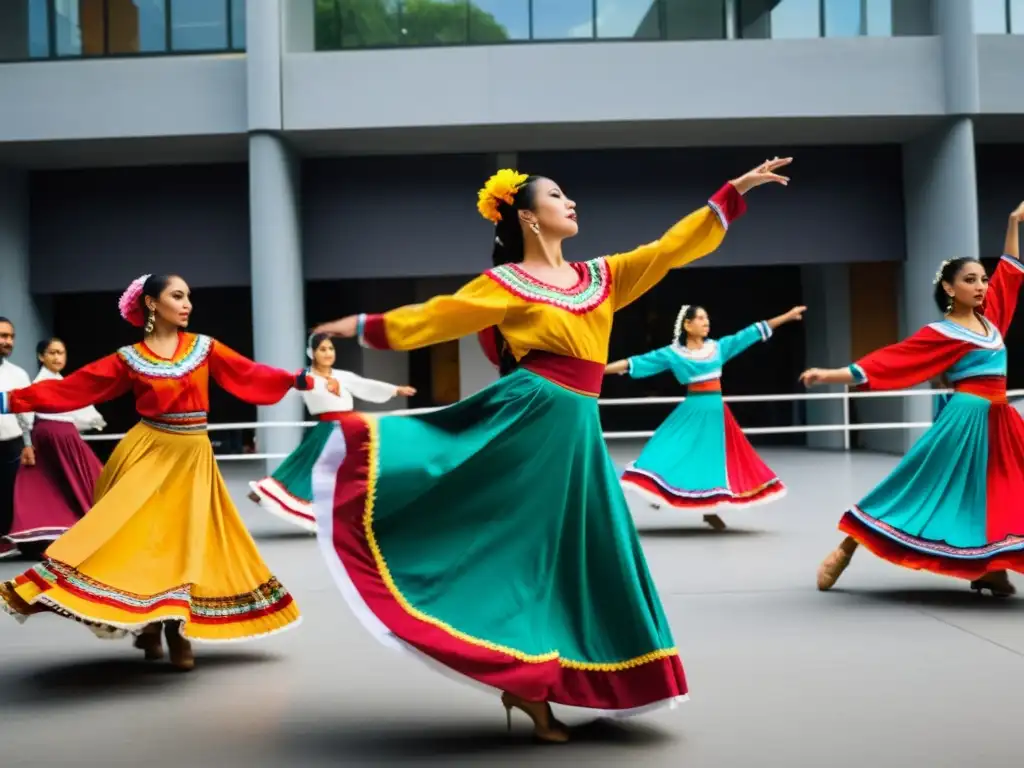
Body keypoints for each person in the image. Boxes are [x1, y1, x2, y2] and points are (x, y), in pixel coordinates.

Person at [310, 158, 792, 742]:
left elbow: (669, 248)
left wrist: (732, 193)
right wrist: (367, 327)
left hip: (578, 431)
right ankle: (525, 681)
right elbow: (441, 316)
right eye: (558, 196)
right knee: (524, 549)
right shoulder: (506, 285)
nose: (572, 203)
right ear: (528, 217)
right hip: (531, 420)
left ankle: (548, 678)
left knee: (580, 552)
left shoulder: (604, 276)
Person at [0, 274, 312, 670]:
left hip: (192, 457)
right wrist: (9, 400)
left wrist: (295, 379)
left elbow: (248, 374)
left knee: (184, 541)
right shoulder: (129, 358)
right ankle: (152, 624)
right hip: (147, 454)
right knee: (144, 542)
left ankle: (174, 629)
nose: (187, 304)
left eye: (188, 297)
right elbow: (72, 389)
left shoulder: (203, 348)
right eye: (177, 296)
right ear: (151, 303)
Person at [802, 202, 1024, 597]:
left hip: (1001, 422)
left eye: (982, 280)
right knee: (914, 486)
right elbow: (892, 360)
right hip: (963, 422)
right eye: (970, 279)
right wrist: (831, 375)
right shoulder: (942, 333)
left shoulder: (993, 322)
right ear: (949, 287)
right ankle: (847, 546)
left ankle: (989, 568)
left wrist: (1012, 223)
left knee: (1001, 493)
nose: (981, 286)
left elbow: (1010, 273)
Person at [605, 304, 805, 529]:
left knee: (714, 462)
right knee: (667, 448)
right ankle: (658, 490)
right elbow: (637, 363)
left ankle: (709, 510)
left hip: (717, 416)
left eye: (707, 318)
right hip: (692, 411)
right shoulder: (673, 354)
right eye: (700, 318)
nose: (706, 322)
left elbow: (749, 334)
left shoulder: (718, 348)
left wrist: (787, 316)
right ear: (687, 325)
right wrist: (601, 370)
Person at [248, 332, 415, 532]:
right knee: (309, 468)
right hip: (327, 432)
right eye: (322, 349)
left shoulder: (342, 376)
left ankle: (360, 516)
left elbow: (365, 386)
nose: (328, 353)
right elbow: (283, 383)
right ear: (312, 353)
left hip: (352, 429)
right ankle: (271, 494)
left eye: (331, 348)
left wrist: (395, 390)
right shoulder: (306, 378)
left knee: (359, 471)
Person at [6, 338, 106, 558]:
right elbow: (25, 413)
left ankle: (90, 534)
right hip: (46, 439)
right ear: (41, 357)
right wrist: (28, 443)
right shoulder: (37, 384)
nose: (57, 357)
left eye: (61, 353)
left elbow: (86, 415)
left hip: (68, 439)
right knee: (47, 489)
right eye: (52, 353)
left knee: (89, 482)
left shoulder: (67, 383)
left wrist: (90, 421)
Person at [0, 317, 34, 560]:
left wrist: (28, 444)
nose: (8, 341)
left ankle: (5, 541)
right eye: (3, 336)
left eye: (10, 337)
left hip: (11, 444)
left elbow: (26, 412)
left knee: (8, 495)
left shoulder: (18, 374)